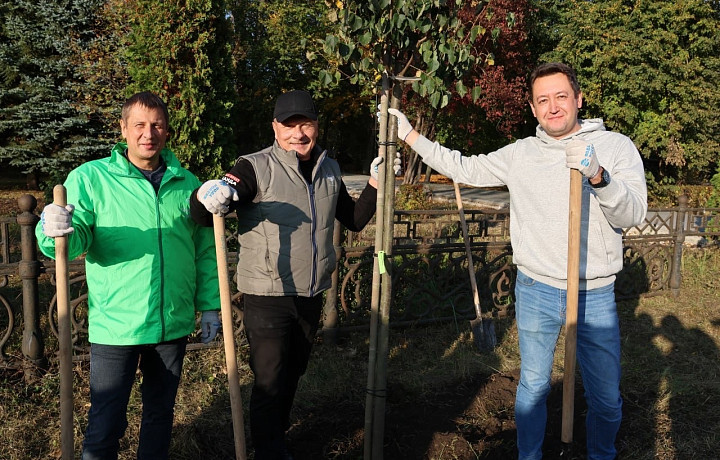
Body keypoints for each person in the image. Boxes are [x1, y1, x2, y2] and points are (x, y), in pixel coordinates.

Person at [387, 63, 647, 460]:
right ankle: (529, 456)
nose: (553, 106)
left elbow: (631, 216)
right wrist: (410, 135)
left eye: (561, 96)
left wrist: (599, 176)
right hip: (536, 289)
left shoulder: (616, 147)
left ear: (578, 99)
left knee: (606, 399)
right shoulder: (521, 153)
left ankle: (601, 455)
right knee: (532, 388)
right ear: (532, 108)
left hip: (593, 294)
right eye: (543, 100)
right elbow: (464, 166)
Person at [190, 89, 381, 460]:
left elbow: (354, 220)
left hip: (310, 293)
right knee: (269, 381)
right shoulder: (253, 167)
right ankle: (270, 451)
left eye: (305, 124)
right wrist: (205, 196)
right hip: (267, 294)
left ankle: (275, 438)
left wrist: (375, 184)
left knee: (293, 372)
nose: (298, 133)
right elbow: (212, 207)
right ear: (275, 127)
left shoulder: (329, 168)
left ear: (316, 126)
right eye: (289, 125)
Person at [36, 91, 221, 460]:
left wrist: (211, 305)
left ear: (167, 132)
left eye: (156, 125)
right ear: (123, 129)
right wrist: (53, 230)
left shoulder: (187, 184)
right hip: (117, 324)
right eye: (139, 124)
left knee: (160, 416)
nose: (147, 133)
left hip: (171, 321)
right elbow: (75, 242)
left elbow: (204, 251)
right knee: (106, 420)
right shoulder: (90, 179)